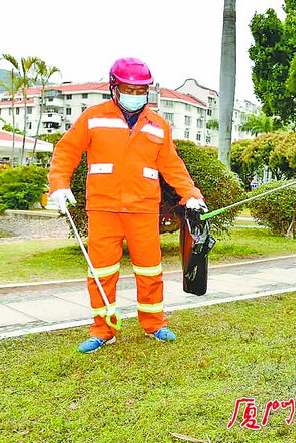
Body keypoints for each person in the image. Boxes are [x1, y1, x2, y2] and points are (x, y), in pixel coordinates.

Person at [48, 57, 206, 354]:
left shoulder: (158, 125)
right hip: (103, 209)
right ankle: (102, 329)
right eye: (129, 89)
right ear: (114, 88)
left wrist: (191, 193)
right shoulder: (93, 117)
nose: (136, 95)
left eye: (141, 90)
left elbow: (171, 164)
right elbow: (67, 150)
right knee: (102, 272)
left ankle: (154, 323)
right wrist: (58, 184)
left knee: (150, 270)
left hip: (143, 209)